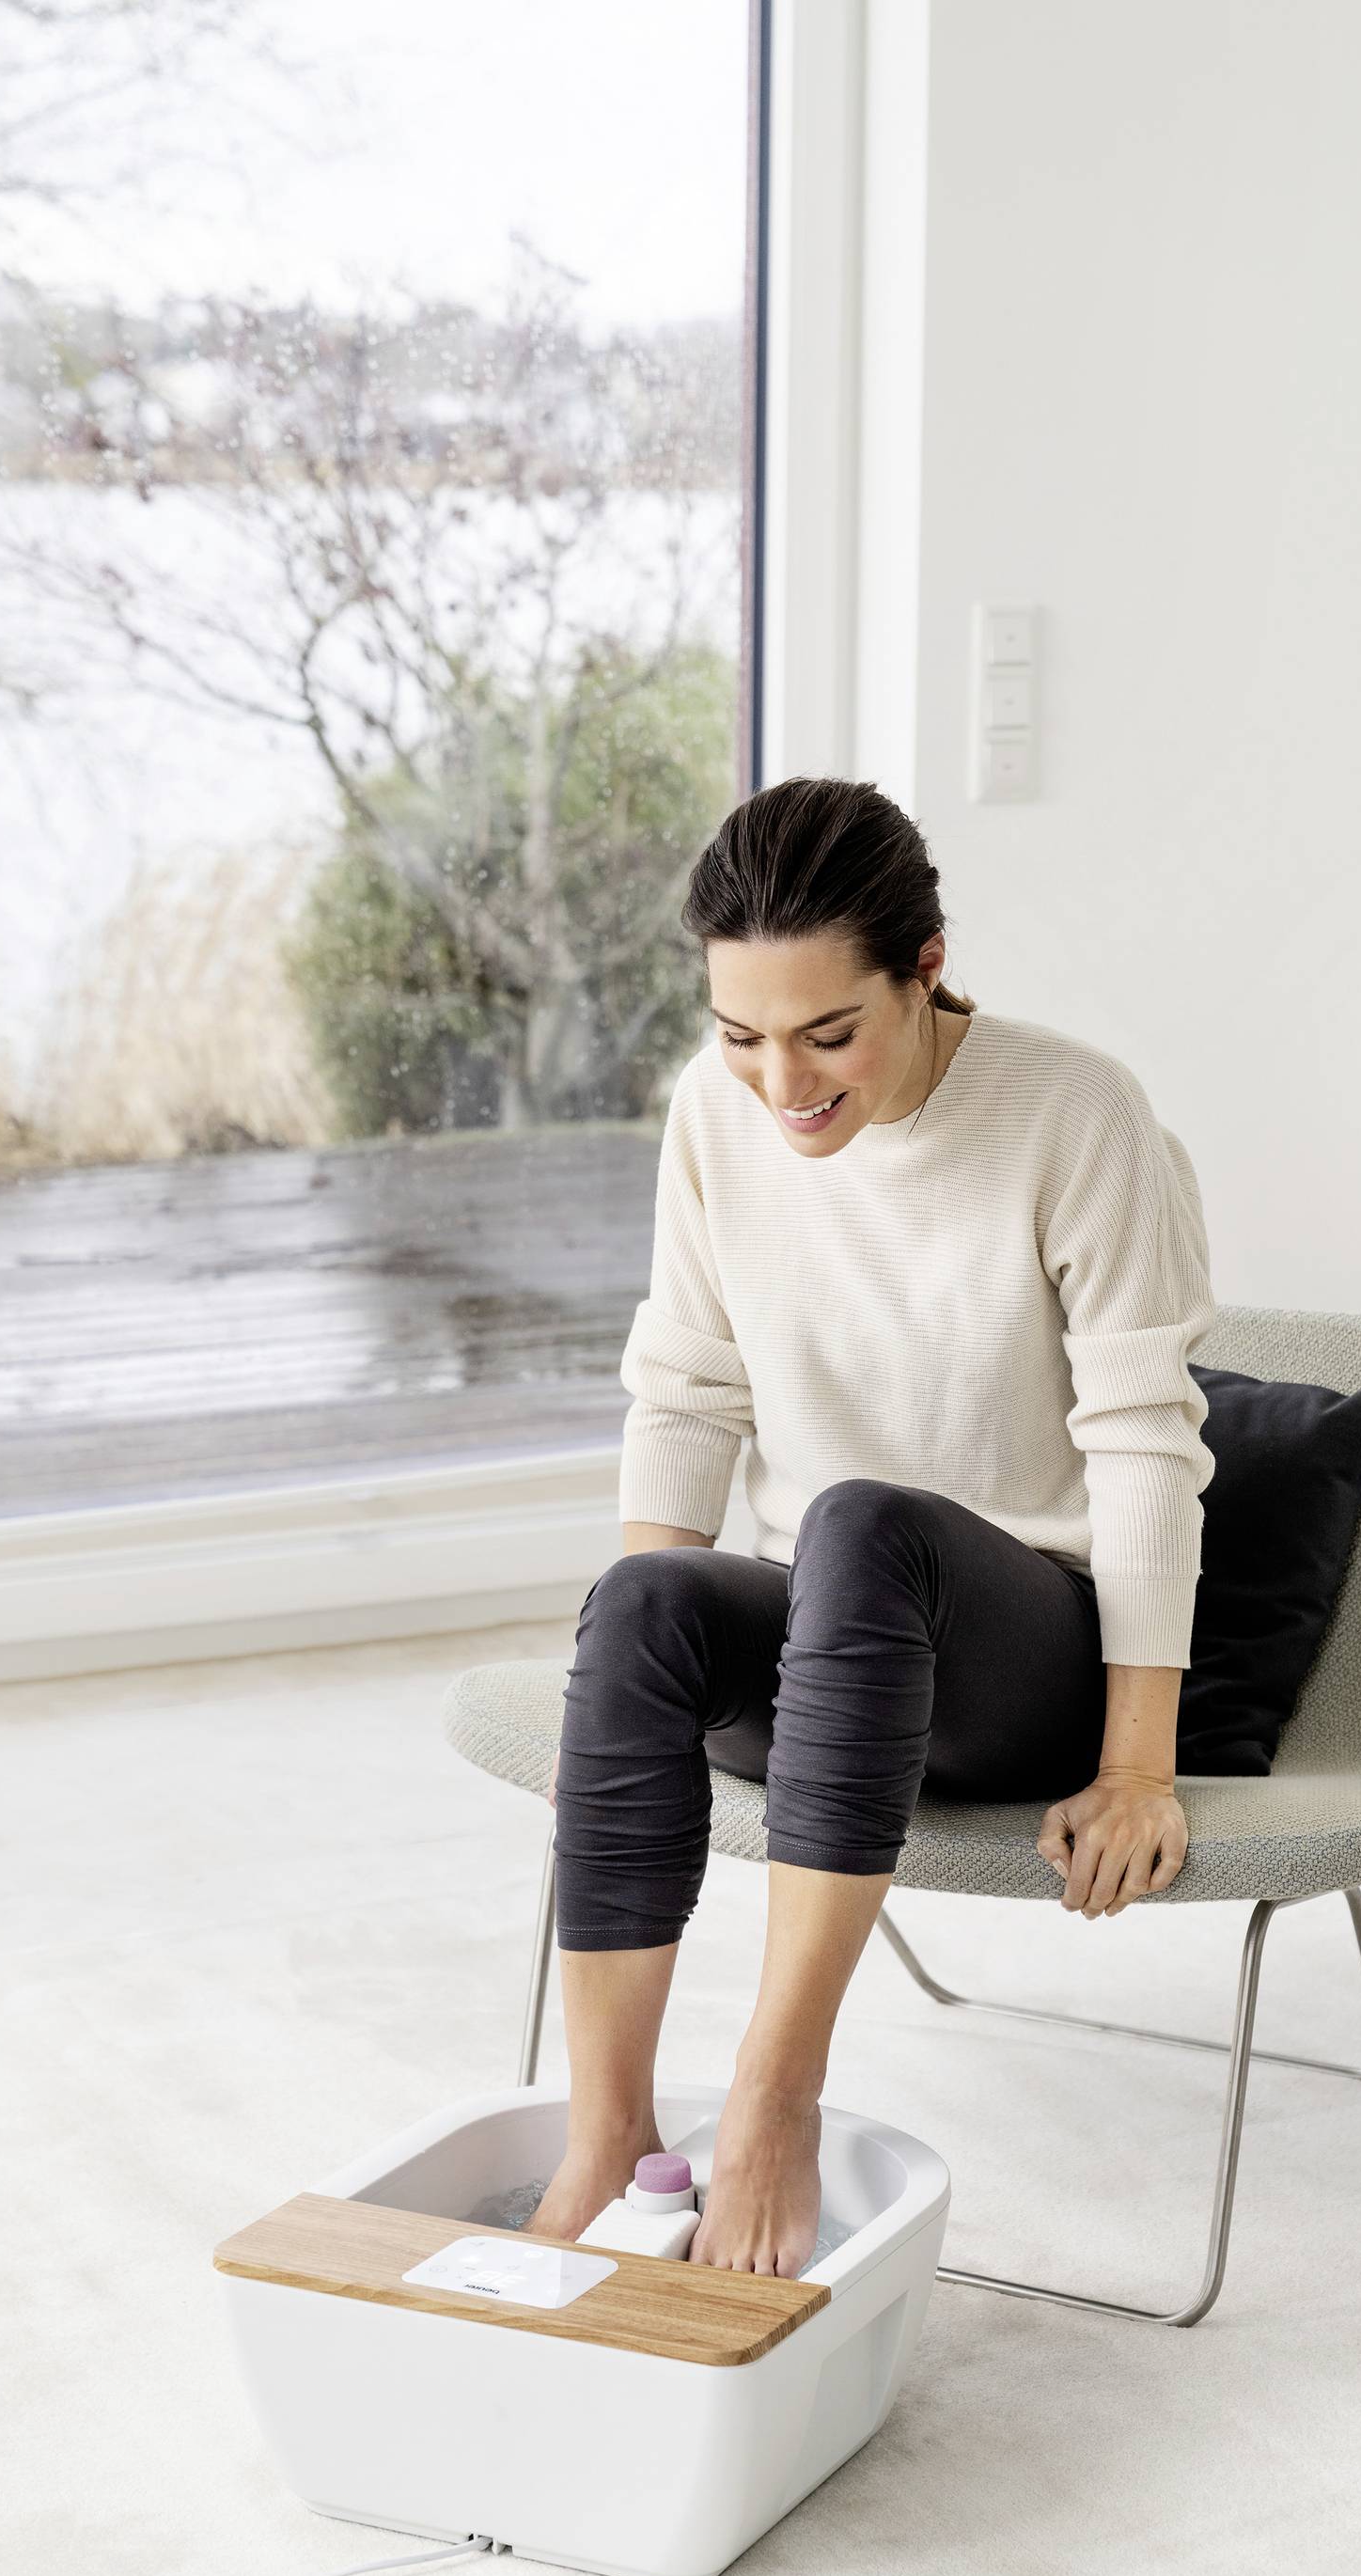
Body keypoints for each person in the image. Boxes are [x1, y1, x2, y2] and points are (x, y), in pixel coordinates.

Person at [527, 775, 1217, 2277]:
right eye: (743, 1036)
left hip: (1014, 1658)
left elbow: (1147, 1445)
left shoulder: (1075, 1110)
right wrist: (643, 1668)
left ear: (926, 963)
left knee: (861, 1522)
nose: (784, 1084)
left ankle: (775, 2100)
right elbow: (689, 1390)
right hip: (825, 1668)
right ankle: (608, 2135)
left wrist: (1138, 1767)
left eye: (829, 1034)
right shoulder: (716, 1117)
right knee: (641, 1600)